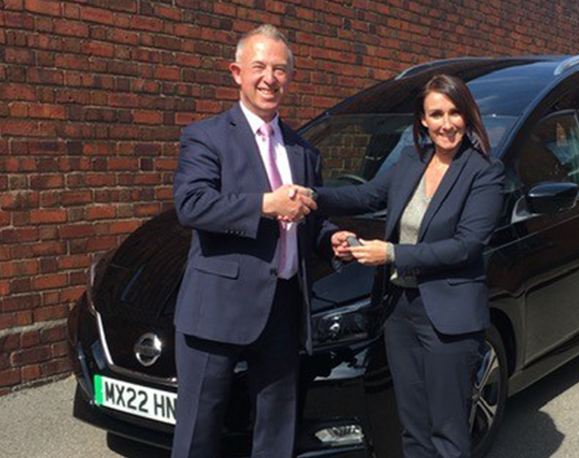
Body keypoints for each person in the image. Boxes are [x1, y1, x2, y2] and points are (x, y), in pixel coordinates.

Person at [312, 74, 505, 458]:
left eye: (454, 112)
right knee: (413, 429)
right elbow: (367, 195)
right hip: (401, 310)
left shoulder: (484, 172)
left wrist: (393, 254)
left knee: (448, 432)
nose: (446, 123)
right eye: (437, 114)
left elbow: (466, 246)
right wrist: (309, 197)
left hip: (450, 318)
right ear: (422, 120)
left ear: (467, 115)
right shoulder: (411, 159)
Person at [171, 24, 336, 458]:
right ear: (236, 72)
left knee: (277, 429)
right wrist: (266, 204)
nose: (270, 78)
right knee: (198, 433)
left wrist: (334, 238)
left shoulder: (304, 151)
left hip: (282, 307)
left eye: (280, 69)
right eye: (259, 67)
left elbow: (312, 224)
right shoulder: (205, 136)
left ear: (290, 78)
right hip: (216, 306)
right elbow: (192, 205)